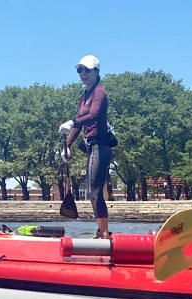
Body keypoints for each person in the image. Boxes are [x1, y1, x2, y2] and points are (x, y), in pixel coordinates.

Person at [61, 54, 112, 239]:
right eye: (79, 70)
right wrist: (67, 145)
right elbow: (79, 124)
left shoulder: (100, 93)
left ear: (96, 71)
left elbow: (93, 115)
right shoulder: (83, 96)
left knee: (94, 190)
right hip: (90, 146)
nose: (82, 73)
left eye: (87, 70)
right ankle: (101, 232)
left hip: (100, 145)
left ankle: (105, 234)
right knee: (92, 190)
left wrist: (72, 120)